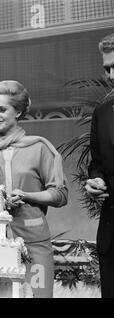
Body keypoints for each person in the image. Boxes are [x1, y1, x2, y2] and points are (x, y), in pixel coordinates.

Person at [0, 80, 68, 298]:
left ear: (19, 111)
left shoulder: (38, 147)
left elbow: (60, 195)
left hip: (34, 242)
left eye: (2, 109)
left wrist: (27, 195)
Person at [84, 33, 114, 298]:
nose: (112, 75)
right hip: (111, 237)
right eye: (107, 69)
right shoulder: (102, 111)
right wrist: (95, 180)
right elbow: (97, 163)